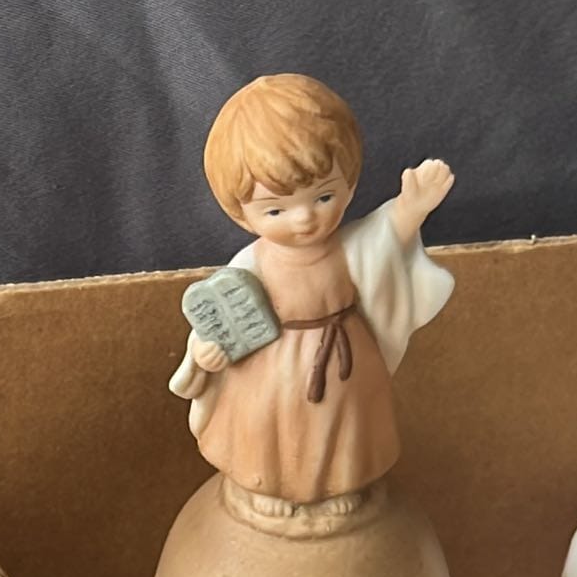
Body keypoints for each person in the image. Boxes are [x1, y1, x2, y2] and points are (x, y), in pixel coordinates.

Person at [174, 74, 456, 508]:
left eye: (323, 198)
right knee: (270, 430)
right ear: (241, 214)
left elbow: (381, 244)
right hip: (271, 368)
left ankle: (337, 486)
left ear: (350, 183)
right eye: (276, 210)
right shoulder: (251, 264)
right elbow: (218, 314)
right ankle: (268, 486)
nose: (305, 219)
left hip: (345, 361)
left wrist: (411, 209)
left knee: (342, 427)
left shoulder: (348, 247)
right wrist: (205, 353)